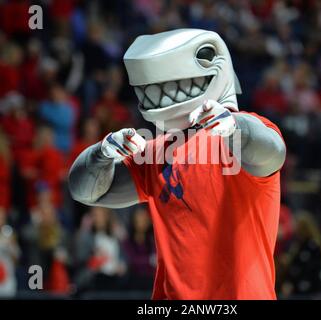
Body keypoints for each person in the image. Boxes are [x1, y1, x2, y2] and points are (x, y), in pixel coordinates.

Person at [69, 29, 286, 299]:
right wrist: (101, 153)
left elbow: (273, 153)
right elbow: (84, 191)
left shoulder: (247, 131)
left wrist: (235, 127)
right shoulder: (156, 152)